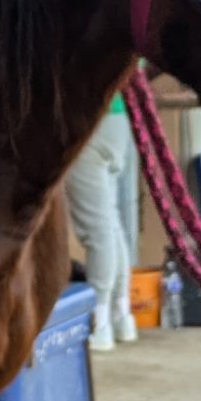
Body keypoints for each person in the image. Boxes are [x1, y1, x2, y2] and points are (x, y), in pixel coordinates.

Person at [67, 90, 142, 351]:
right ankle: (121, 315)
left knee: (97, 229)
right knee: (110, 221)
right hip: (115, 119)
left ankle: (99, 324)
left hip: (90, 118)